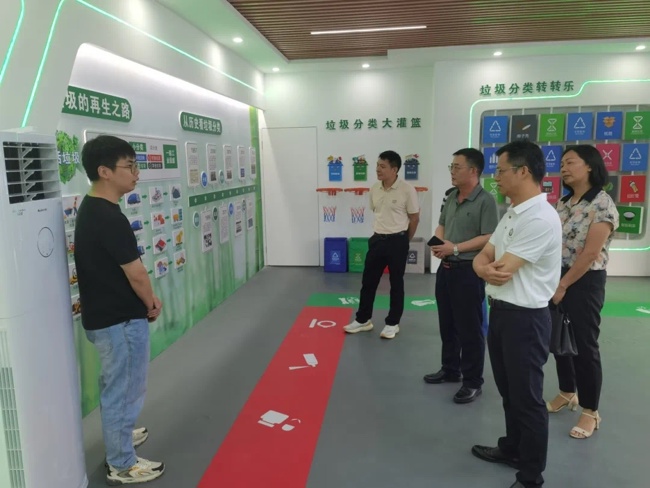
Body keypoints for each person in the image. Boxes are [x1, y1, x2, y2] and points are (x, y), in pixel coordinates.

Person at [471, 141, 562, 488]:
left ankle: (530, 475)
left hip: (526, 320)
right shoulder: (513, 212)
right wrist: (482, 267)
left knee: (527, 400)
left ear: (523, 171)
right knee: (509, 391)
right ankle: (513, 449)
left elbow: (501, 269)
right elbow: (485, 255)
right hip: (502, 314)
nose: (496, 177)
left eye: (501, 170)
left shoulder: (539, 218)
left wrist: (483, 268)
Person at [75, 135, 165, 484]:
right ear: (105, 171)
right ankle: (122, 462)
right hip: (120, 321)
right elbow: (136, 273)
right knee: (124, 389)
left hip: (107, 318)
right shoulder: (108, 217)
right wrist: (151, 302)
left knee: (118, 385)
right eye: (130, 167)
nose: (136, 174)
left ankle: (120, 436)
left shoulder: (93, 209)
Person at [545, 145, 619, 439]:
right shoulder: (563, 203)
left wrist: (563, 285)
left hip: (585, 281)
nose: (563, 168)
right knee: (558, 338)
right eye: (562, 163)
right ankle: (567, 392)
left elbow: (590, 254)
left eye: (570, 162)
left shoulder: (602, 204)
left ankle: (590, 410)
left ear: (589, 166)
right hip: (556, 277)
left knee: (585, 345)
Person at [424, 148, 498, 404]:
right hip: (446, 269)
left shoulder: (486, 201)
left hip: (468, 271)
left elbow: (488, 236)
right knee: (447, 323)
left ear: (473, 171)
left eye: (457, 167)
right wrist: (439, 243)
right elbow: (442, 224)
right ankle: (450, 369)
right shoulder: (451, 196)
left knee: (470, 328)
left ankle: (473, 381)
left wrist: (454, 248)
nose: (452, 172)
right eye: (451, 167)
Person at [343, 150, 420, 339]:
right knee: (368, 282)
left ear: (394, 169)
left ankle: (392, 323)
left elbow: (414, 218)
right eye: (377, 165)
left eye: (383, 166)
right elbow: (377, 212)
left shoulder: (407, 190)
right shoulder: (374, 189)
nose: (378, 169)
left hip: (398, 241)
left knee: (396, 283)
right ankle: (363, 319)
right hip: (377, 240)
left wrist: (404, 240)